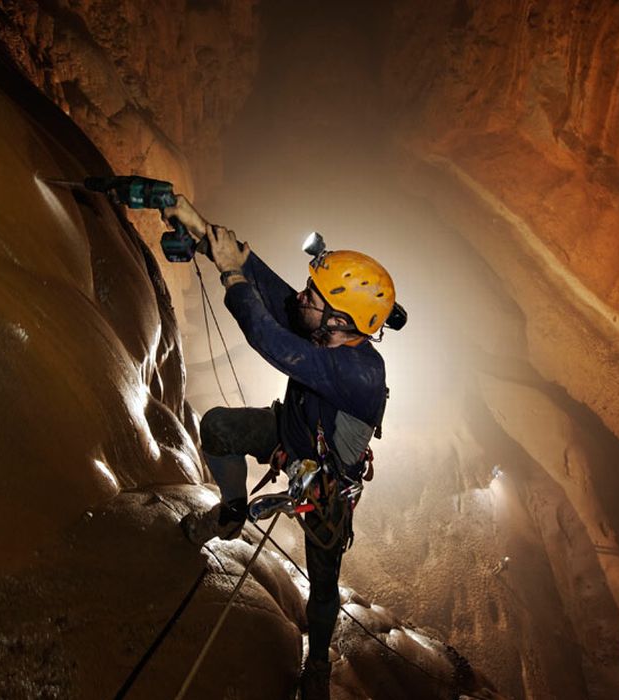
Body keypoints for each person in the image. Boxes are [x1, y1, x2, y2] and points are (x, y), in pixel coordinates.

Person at [165, 196, 396, 700]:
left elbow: (268, 337)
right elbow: (276, 296)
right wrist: (209, 235)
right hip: (290, 434)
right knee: (218, 427)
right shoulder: (331, 331)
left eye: (315, 298)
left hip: (325, 486)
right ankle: (230, 511)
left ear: (339, 322)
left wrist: (232, 276)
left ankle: (316, 665)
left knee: (323, 584)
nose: (303, 300)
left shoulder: (358, 374)